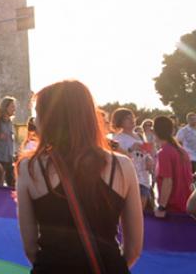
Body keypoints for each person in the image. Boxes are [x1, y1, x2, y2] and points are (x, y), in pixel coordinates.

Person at [16, 80, 143, 273]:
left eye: (38, 115)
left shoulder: (30, 168)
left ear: (50, 120)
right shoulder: (122, 166)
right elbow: (133, 248)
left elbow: (31, 248)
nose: (36, 122)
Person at [112, 108, 154, 210]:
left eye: (132, 117)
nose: (132, 120)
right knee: (135, 210)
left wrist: (149, 158)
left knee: (142, 210)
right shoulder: (117, 138)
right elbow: (116, 158)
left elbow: (146, 153)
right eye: (127, 118)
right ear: (120, 121)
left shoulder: (139, 135)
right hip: (130, 178)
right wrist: (131, 149)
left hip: (144, 178)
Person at [152, 116, 193, 217]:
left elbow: (167, 181)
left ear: (154, 132)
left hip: (173, 208)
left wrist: (161, 207)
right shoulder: (182, 151)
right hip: (186, 206)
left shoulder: (164, 152)